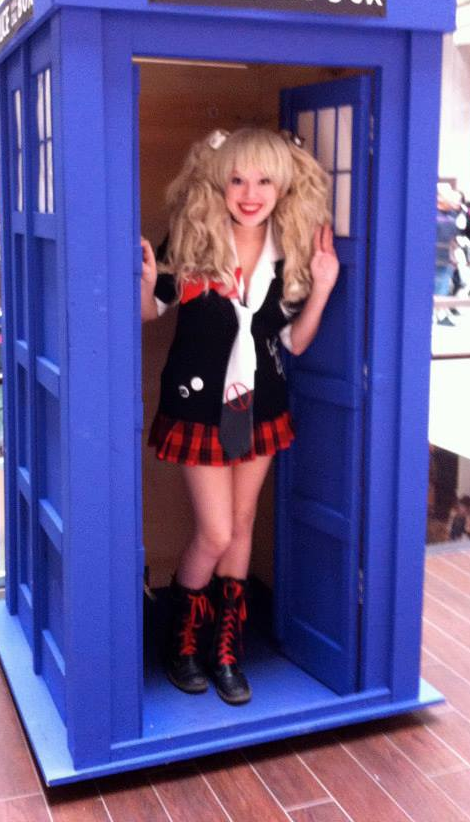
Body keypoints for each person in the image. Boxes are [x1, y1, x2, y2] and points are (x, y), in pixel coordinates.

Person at [140, 127, 339, 705]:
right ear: (219, 182)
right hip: (199, 404)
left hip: (261, 403)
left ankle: (225, 650)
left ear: (283, 187)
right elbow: (149, 314)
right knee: (217, 530)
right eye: (237, 179)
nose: (250, 193)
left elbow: (296, 344)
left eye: (263, 181)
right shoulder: (194, 236)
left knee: (244, 524)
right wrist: (149, 285)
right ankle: (180, 642)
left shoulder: (291, 251)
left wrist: (323, 287)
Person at [434, 187, 459, 327]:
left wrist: (453, 256)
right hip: (431, 260)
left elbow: (453, 239)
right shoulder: (430, 214)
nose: (452, 200)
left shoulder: (452, 215)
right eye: (449, 196)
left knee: (443, 288)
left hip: (446, 259)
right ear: (439, 198)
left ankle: (441, 315)